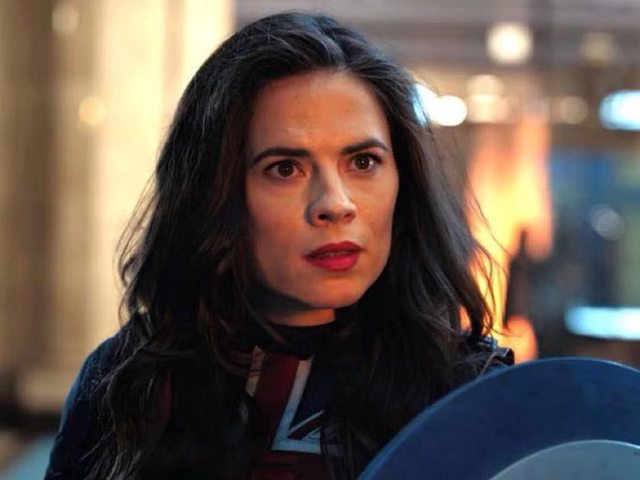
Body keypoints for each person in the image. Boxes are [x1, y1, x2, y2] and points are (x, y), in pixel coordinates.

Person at [45, 11, 512, 480]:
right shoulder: (129, 381)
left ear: (403, 180)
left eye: (363, 162)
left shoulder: (472, 393)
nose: (335, 204)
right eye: (285, 169)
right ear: (216, 194)